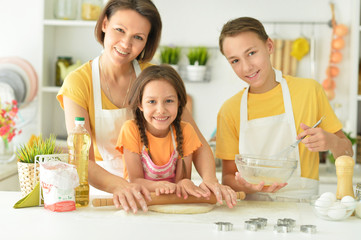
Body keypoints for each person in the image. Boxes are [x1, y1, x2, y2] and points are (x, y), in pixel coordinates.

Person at [57, 0, 236, 213]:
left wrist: (210, 181)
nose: (125, 44)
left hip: (160, 196)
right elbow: (82, 161)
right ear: (104, 24)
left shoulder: (153, 77)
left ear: (147, 41)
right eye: (119, 30)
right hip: (106, 195)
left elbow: (197, 142)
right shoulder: (78, 82)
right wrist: (124, 186)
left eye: (138, 37)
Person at [216, 17, 353, 200]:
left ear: (269, 46)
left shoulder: (309, 91)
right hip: (251, 212)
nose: (246, 67)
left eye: (251, 53)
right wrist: (247, 186)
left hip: (303, 208)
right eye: (235, 61)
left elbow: (347, 152)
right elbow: (227, 177)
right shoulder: (229, 110)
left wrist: (332, 142)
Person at [117, 65, 217, 199]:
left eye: (169, 101)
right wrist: (159, 186)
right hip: (141, 201)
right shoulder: (130, 130)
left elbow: (182, 180)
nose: (161, 110)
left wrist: (185, 183)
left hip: (172, 202)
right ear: (140, 104)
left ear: (179, 102)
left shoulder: (186, 131)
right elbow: (135, 180)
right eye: (151, 101)